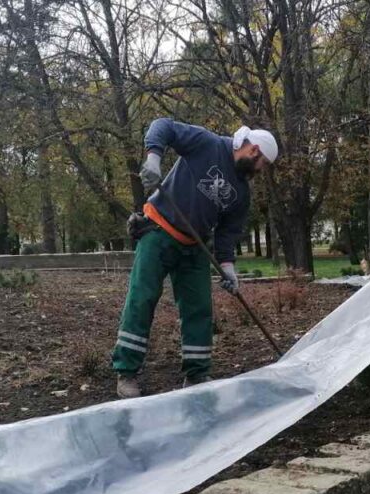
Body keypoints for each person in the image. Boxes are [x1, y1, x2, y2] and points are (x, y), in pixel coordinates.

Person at [113, 118, 278, 398]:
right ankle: (126, 372)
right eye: (263, 165)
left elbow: (227, 233)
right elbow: (161, 126)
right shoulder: (207, 143)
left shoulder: (241, 193)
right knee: (141, 299)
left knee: (199, 309)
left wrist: (228, 268)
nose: (260, 172)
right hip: (158, 232)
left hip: (194, 245)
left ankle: (197, 374)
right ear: (254, 151)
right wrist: (153, 158)